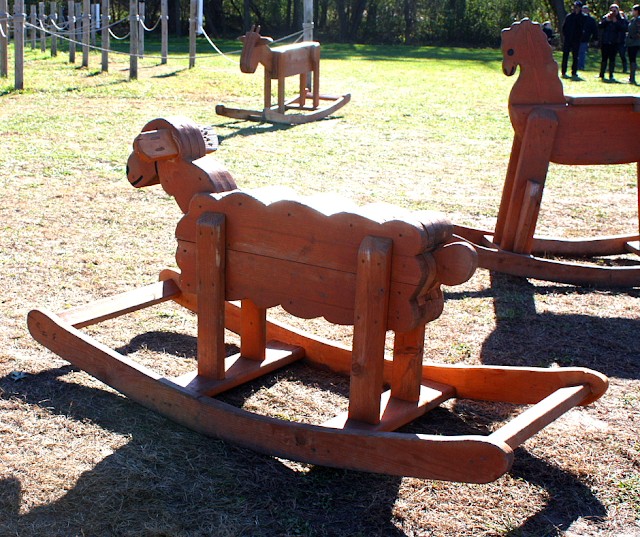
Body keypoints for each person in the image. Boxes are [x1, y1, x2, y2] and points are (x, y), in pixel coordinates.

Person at [598, 4, 628, 79]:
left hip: (615, 41)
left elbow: (624, 28)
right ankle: (601, 73)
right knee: (604, 58)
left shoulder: (621, 19)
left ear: (618, 11)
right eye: (611, 10)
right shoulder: (606, 17)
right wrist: (606, 21)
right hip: (605, 41)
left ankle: (611, 74)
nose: (613, 12)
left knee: (612, 59)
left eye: (614, 10)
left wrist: (616, 22)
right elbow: (599, 26)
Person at [562, 1, 587, 77]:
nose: (575, 8)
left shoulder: (583, 17)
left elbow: (582, 26)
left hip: (576, 40)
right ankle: (563, 70)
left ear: (580, 7)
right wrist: (566, 35)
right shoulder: (569, 16)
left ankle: (574, 71)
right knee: (565, 55)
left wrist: (577, 15)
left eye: (576, 7)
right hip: (568, 39)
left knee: (575, 56)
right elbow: (564, 27)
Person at [578, 5, 599, 70]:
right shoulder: (578, 18)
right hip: (577, 38)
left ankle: (581, 66)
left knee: (582, 52)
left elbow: (594, 30)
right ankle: (576, 65)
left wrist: (595, 38)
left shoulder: (591, 20)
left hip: (585, 38)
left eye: (586, 9)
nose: (584, 11)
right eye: (583, 9)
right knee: (576, 52)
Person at [626, 4, 640, 83]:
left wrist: (633, 37)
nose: (632, 12)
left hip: (635, 43)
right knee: (631, 59)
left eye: (633, 10)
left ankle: (632, 77)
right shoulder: (633, 19)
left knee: (632, 59)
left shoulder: (638, 20)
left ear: (637, 11)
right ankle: (631, 76)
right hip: (631, 42)